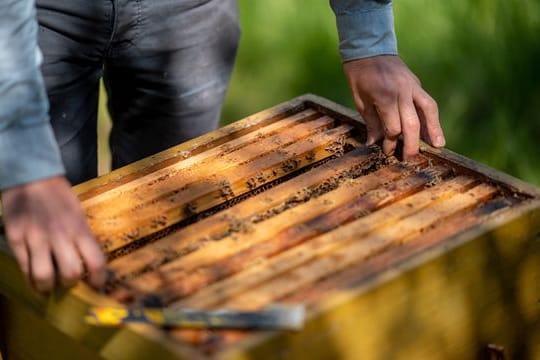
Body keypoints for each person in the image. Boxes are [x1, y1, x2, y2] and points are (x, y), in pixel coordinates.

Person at [0, 0, 445, 294]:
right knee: (44, 255)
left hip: (191, 11)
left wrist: (368, 40)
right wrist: (24, 162)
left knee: (182, 242)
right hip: (32, 16)